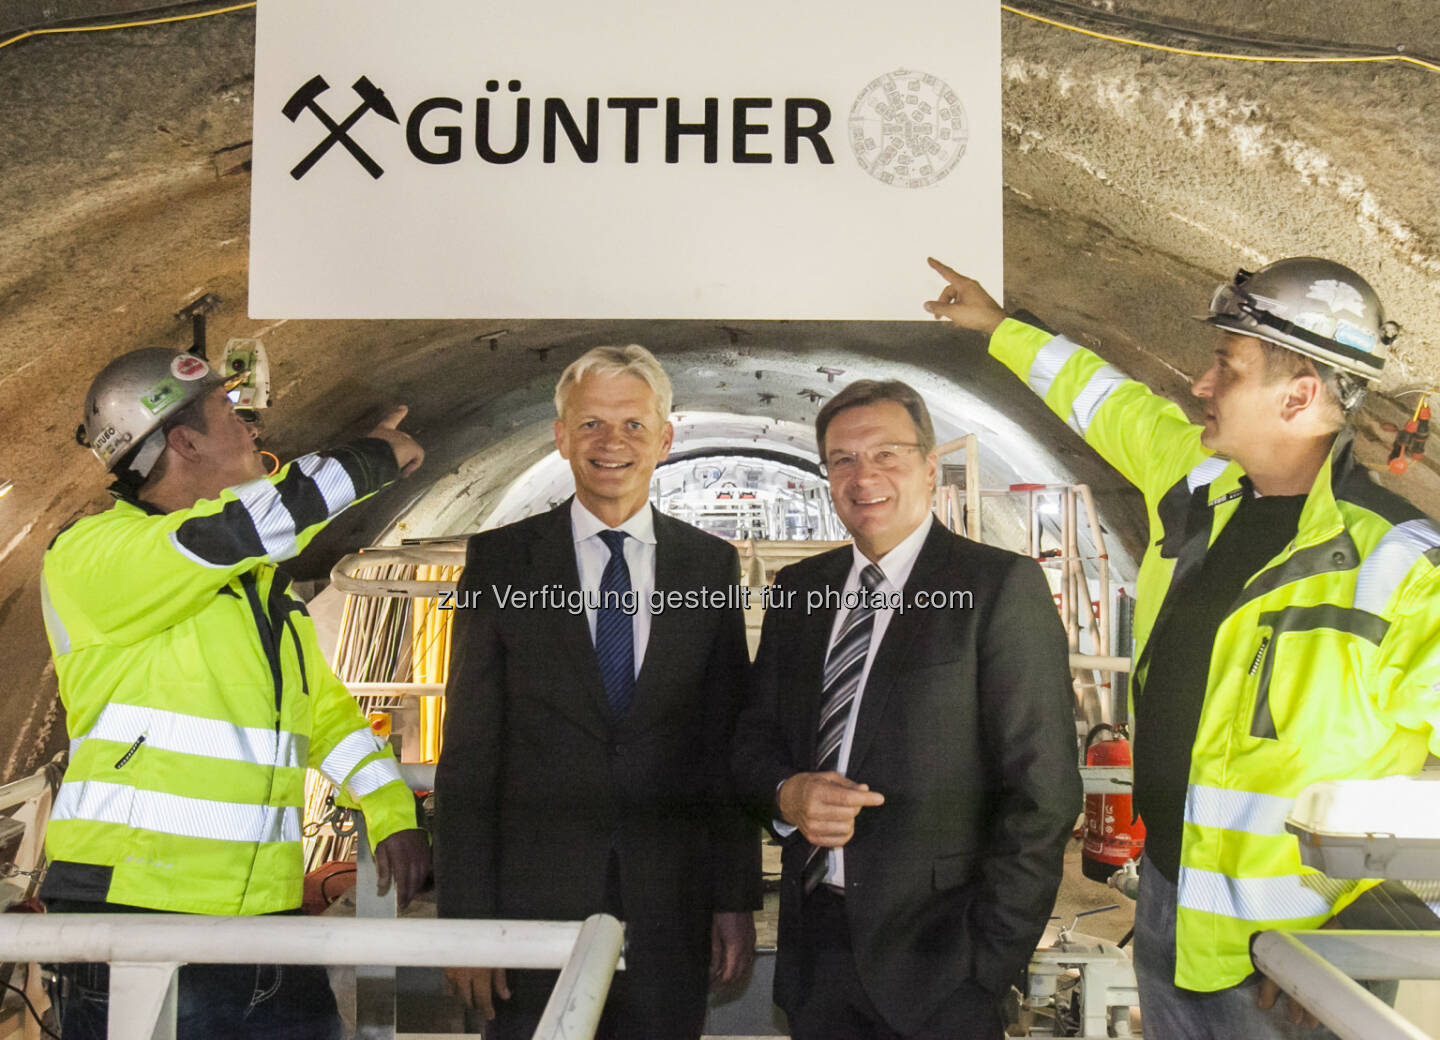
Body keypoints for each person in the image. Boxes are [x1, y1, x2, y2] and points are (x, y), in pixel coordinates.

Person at [926, 255, 1440, 1038]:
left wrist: (1362, 938)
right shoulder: (1200, 485)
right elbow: (1107, 403)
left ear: (1300, 395)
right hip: (1169, 901)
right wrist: (1002, 328)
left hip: (1293, 958)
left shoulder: (1402, 567)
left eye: (1227, 369)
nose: (1200, 385)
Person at [39, 347, 431, 1039]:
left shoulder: (254, 586)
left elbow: (322, 715)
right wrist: (371, 459)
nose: (254, 431)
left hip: (267, 927)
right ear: (183, 441)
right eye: (232, 415)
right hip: (140, 922)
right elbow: (241, 528)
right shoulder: (94, 557)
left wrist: (390, 807)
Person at [730, 378, 1081, 1040]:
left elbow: (1045, 793)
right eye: (842, 459)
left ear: (927, 467)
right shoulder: (801, 592)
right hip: (817, 957)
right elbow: (753, 740)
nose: (864, 477)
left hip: (942, 968)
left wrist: (987, 964)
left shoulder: (998, 588)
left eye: (886, 454)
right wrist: (786, 793)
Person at [434, 344, 760, 1040]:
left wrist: (734, 899)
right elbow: (467, 753)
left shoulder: (709, 566)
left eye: (634, 424)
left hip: (671, 911)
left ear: (665, 440)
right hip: (526, 915)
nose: (613, 442)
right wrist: (465, 920)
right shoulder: (501, 562)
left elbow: (724, 747)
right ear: (560, 437)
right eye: (590, 424)